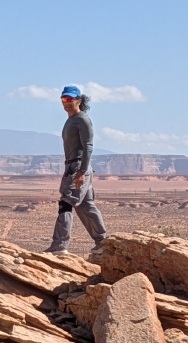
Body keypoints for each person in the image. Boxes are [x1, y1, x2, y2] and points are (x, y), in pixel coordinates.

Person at [43, 85, 109, 255]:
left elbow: (88, 146)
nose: (67, 103)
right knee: (85, 205)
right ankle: (103, 242)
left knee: (66, 203)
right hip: (73, 166)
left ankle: (59, 245)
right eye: (64, 99)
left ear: (79, 100)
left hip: (79, 167)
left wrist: (81, 172)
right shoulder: (70, 120)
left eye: (70, 99)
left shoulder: (83, 119)